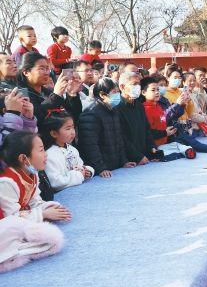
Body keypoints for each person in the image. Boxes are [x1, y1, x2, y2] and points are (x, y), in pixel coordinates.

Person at [0, 131, 68, 272]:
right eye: (41, 150)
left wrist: (51, 208)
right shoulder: (6, 182)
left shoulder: (32, 174)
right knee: (47, 238)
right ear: (24, 159)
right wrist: (42, 214)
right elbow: (11, 217)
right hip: (5, 223)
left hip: (19, 220)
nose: (46, 154)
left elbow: (35, 202)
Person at [78, 78, 136, 178]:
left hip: (115, 168)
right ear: (102, 95)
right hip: (100, 172)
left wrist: (123, 161)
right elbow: (90, 145)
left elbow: (119, 138)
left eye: (118, 92)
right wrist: (101, 168)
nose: (117, 95)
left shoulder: (114, 111)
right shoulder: (91, 114)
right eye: (114, 92)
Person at [16, 52, 82, 127]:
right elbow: (37, 118)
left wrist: (72, 94)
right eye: (41, 68)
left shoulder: (49, 92)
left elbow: (73, 116)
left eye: (47, 68)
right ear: (26, 72)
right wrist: (56, 95)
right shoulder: (21, 95)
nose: (46, 72)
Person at [141, 77, 196, 160]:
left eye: (158, 89)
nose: (157, 92)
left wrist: (183, 104)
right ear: (143, 92)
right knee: (169, 150)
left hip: (165, 143)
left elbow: (166, 120)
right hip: (154, 146)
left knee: (180, 146)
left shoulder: (158, 106)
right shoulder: (145, 109)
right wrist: (165, 133)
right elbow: (148, 133)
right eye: (153, 90)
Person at [164, 68, 207, 153]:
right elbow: (171, 113)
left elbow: (189, 111)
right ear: (168, 78)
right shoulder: (165, 93)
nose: (177, 79)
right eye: (175, 77)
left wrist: (188, 101)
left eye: (179, 77)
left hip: (188, 125)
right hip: (177, 126)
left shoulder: (181, 92)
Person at [42, 111, 94, 191]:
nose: (73, 132)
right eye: (68, 128)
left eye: (73, 127)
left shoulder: (72, 149)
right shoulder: (49, 155)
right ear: (54, 133)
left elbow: (80, 165)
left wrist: (87, 170)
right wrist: (79, 175)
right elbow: (55, 182)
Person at [115, 72, 158, 164]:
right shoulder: (116, 108)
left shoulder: (139, 106)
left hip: (144, 156)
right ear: (122, 87)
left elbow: (146, 129)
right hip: (129, 161)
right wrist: (138, 156)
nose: (138, 87)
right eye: (134, 84)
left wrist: (152, 146)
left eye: (139, 84)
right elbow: (122, 137)